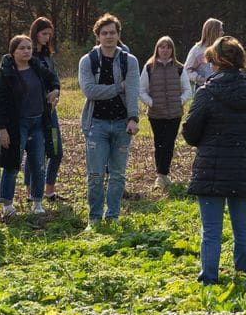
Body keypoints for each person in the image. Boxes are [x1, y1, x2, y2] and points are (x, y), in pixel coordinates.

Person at [182, 36, 246, 284]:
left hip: (211, 167)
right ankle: (244, 276)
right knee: (243, 227)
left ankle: (209, 280)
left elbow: (190, 132)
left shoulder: (207, 92)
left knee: (211, 231)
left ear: (217, 61)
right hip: (244, 166)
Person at [77, 13, 139, 225]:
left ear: (118, 34)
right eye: (104, 33)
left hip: (122, 123)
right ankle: (94, 218)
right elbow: (89, 91)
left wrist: (133, 118)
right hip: (96, 124)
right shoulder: (88, 61)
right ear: (98, 36)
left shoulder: (129, 61)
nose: (109, 36)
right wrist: (117, 87)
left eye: (112, 32)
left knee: (118, 175)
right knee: (95, 175)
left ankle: (112, 216)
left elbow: (132, 91)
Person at [0, 33, 54, 214]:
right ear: (13, 52)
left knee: (38, 164)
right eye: (22, 48)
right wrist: (2, 129)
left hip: (38, 122)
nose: (26, 51)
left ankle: (37, 202)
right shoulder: (5, 75)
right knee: (12, 165)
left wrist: (55, 90)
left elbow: (52, 79)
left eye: (29, 48)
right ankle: (8, 205)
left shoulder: (37, 67)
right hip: (16, 125)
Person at [140, 35, 186, 192]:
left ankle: (163, 174)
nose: (165, 50)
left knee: (169, 143)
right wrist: (152, 103)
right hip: (156, 114)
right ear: (157, 49)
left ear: (172, 49)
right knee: (159, 143)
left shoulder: (180, 68)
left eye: (168, 47)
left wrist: (179, 102)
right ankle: (161, 175)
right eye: (162, 47)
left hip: (175, 114)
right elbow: (142, 90)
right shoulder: (149, 68)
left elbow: (188, 90)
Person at [29, 16, 65, 199]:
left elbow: (55, 79)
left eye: (50, 35)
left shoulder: (48, 56)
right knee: (35, 152)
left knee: (56, 150)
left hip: (50, 111)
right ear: (35, 34)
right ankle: (31, 191)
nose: (47, 38)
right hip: (33, 111)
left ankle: (50, 189)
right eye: (44, 34)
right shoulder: (27, 55)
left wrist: (56, 91)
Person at [184, 17, 223, 91]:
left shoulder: (223, 48)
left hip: (222, 88)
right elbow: (187, 70)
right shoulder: (197, 50)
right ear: (213, 31)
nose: (223, 33)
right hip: (203, 89)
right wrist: (201, 79)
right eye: (220, 30)